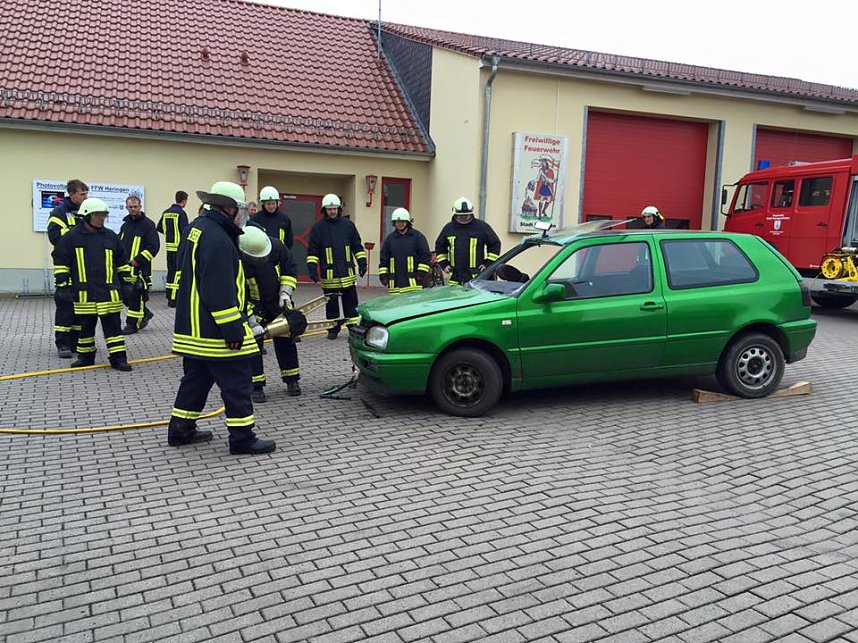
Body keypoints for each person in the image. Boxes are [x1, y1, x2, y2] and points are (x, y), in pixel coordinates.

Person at [168, 180, 275, 455]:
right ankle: (242, 438)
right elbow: (218, 290)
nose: (243, 216)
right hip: (214, 331)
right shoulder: (218, 239)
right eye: (241, 209)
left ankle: (180, 429)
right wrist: (233, 331)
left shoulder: (196, 229)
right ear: (228, 208)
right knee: (238, 383)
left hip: (192, 328)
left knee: (196, 380)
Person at [51, 197, 133, 371]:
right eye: (98, 215)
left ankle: (119, 359)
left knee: (114, 329)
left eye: (104, 215)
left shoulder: (111, 237)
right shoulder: (71, 238)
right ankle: (86, 357)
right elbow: (61, 261)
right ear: (86, 216)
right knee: (85, 330)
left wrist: (127, 283)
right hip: (84, 294)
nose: (102, 218)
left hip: (109, 293)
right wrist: (63, 285)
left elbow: (122, 262)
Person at [239, 224, 302, 401]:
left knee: (286, 342)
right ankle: (256, 386)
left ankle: (292, 380)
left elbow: (290, 269)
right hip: (254, 306)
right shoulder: (235, 258)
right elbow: (238, 294)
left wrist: (286, 292)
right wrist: (251, 321)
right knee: (253, 347)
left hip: (278, 303)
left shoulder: (277, 247)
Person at [306, 194, 366, 340]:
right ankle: (333, 329)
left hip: (347, 272)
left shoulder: (348, 225)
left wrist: (362, 262)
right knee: (331, 304)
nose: (332, 211)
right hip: (329, 274)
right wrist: (312, 269)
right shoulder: (318, 228)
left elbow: (356, 245)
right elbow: (312, 251)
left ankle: (353, 327)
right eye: (329, 209)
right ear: (324, 210)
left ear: (339, 209)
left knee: (351, 303)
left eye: (334, 208)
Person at [47, 179, 88, 358]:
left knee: (80, 307)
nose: (85, 197)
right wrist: (78, 235)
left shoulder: (86, 211)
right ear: (71, 195)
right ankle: (63, 344)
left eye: (86, 194)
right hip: (66, 266)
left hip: (83, 267)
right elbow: (55, 237)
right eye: (82, 194)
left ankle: (75, 342)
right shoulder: (59, 212)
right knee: (65, 306)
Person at [435, 197, 501, 285]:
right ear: (455, 214)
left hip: (476, 276)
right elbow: (440, 246)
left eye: (466, 215)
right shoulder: (449, 228)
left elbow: (495, 244)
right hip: (455, 277)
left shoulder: (481, 227)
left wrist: (488, 263)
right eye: (461, 216)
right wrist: (444, 264)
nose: (464, 217)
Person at [119, 195, 160, 334]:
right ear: (126, 207)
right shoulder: (125, 225)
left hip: (140, 269)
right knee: (124, 296)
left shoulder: (148, 225)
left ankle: (132, 325)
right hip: (125, 268)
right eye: (130, 207)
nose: (133, 209)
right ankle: (145, 313)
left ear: (140, 207)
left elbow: (154, 247)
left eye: (135, 206)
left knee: (135, 296)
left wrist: (138, 260)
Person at [378, 207, 432, 294]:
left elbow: (425, 256)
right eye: (397, 222)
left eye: (402, 221)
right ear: (394, 223)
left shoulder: (418, 237)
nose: (400, 224)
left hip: (413, 286)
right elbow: (384, 259)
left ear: (408, 222)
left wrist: (421, 273)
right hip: (395, 287)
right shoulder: (390, 239)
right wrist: (383, 275)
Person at [157, 190, 189, 308]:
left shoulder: (166, 212)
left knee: (171, 272)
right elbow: (185, 231)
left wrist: (169, 234)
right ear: (184, 201)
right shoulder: (181, 213)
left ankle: (169, 296)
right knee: (178, 273)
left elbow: (159, 227)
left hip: (169, 247)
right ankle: (174, 299)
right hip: (179, 248)